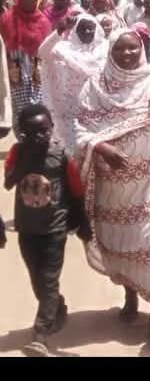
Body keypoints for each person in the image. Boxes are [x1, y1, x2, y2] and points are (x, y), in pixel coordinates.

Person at [75, 29, 150, 348]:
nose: (127, 54)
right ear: (110, 51)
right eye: (120, 49)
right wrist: (102, 148)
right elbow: (81, 128)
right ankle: (131, 294)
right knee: (125, 240)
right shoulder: (96, 85)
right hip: (116, 184)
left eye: (133, 48)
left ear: (142, 49)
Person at [4, 104, 87, 357]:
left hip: (54, 229)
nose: (39, 136)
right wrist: (25, 160)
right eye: (32, 133)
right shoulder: (17, 153)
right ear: (22, 133)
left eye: (44, 130)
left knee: (48, 280)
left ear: (51, 127)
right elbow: (8, 183)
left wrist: (82, 222)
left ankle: (40, 334)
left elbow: (76, 190)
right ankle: (57, 306)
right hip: (27, 229)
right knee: (38, 281)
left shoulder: (60, 155)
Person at [38, 14, 108, 153]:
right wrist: (59, 31)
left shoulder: (105, 49)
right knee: (72, 151)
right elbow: (43, 52)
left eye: (91, 28)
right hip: (70, 110)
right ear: (75, 30)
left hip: (97, 108)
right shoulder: (65, 49)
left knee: (95, 149)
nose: (87, 32)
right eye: (83, 28)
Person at [0, 0, 52, 135]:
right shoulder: (7, 18)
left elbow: (46, 47)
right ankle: (22, 136)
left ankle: (34, 135)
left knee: (37, 103)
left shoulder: (43, 21)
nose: (30, 3)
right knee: (19, 106)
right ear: (20, 0)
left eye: (34, 0)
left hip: (35, 66)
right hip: (15, 66)